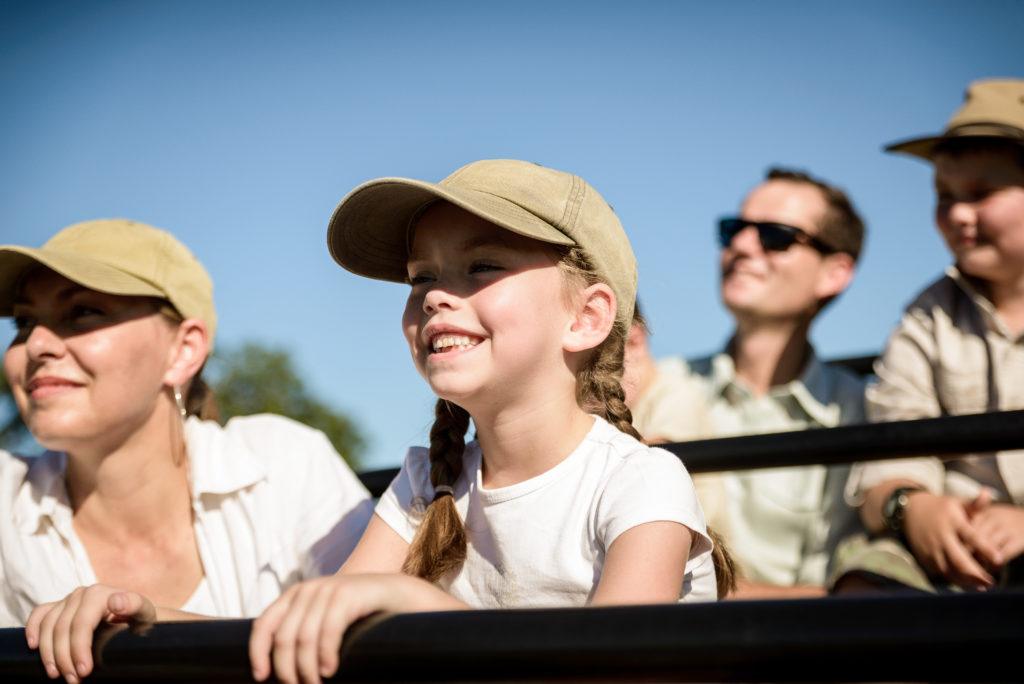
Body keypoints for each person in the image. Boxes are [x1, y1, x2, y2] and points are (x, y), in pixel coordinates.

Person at [244, 159, 733, 684]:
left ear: (586, 317)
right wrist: (154, 622)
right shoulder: (422, 483)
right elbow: (309, 629)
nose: (432, 296)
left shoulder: (641, 481)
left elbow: (612, 671)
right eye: (420, 277)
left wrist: (412, 600)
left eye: (482, 266)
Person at [1, 219, 373, 680]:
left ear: (183, 350)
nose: (35, 345)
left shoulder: (284, 462)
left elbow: (379, 644)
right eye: (23, 322)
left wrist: (155, 627)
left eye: (83, 313)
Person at [837, 78, 1024, 593]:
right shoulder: (929, 316)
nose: (959, 214)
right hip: (957, 538)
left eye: (982, 194)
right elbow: (895, 438)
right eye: (945, 196)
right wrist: (915, 506)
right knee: (867, 577)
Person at [682, 167, 867, 599]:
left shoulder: (861, 410)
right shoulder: (657, 386)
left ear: (834, 273)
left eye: (776, 236)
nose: (742, 246)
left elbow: (840, 596)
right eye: (733, 229)